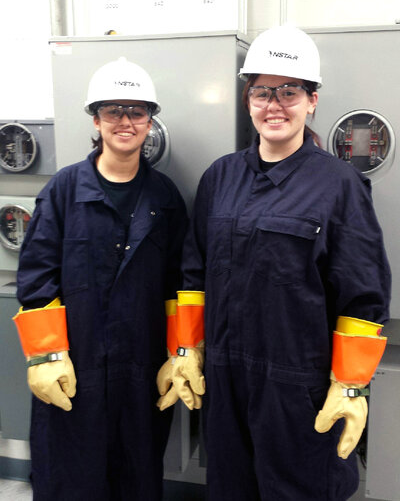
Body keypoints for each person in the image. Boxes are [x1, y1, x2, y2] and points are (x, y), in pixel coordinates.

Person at [156, 25, 391, 500]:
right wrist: (186, 351)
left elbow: (364, 293)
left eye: (289, 91)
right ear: (248, 101)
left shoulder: (339, 185)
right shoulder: (220, 177)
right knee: (229, 488)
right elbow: (193, 274)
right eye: (263, 92)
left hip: (296, 387)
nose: (275, 104)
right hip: (224, 381)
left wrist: (349, 385)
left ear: (312, 100)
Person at [13, 57, 188, 500]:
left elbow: (181, 281)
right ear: (96, 119)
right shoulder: (64, 190)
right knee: (70, 478)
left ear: (150, 121)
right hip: (74, 369)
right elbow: (36, 276)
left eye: (136, 112)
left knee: (137, 477)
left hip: (141, 370)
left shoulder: (165, 197)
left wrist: (181, 352)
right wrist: (47, 357)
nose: (125, 122)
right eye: (113, 111)